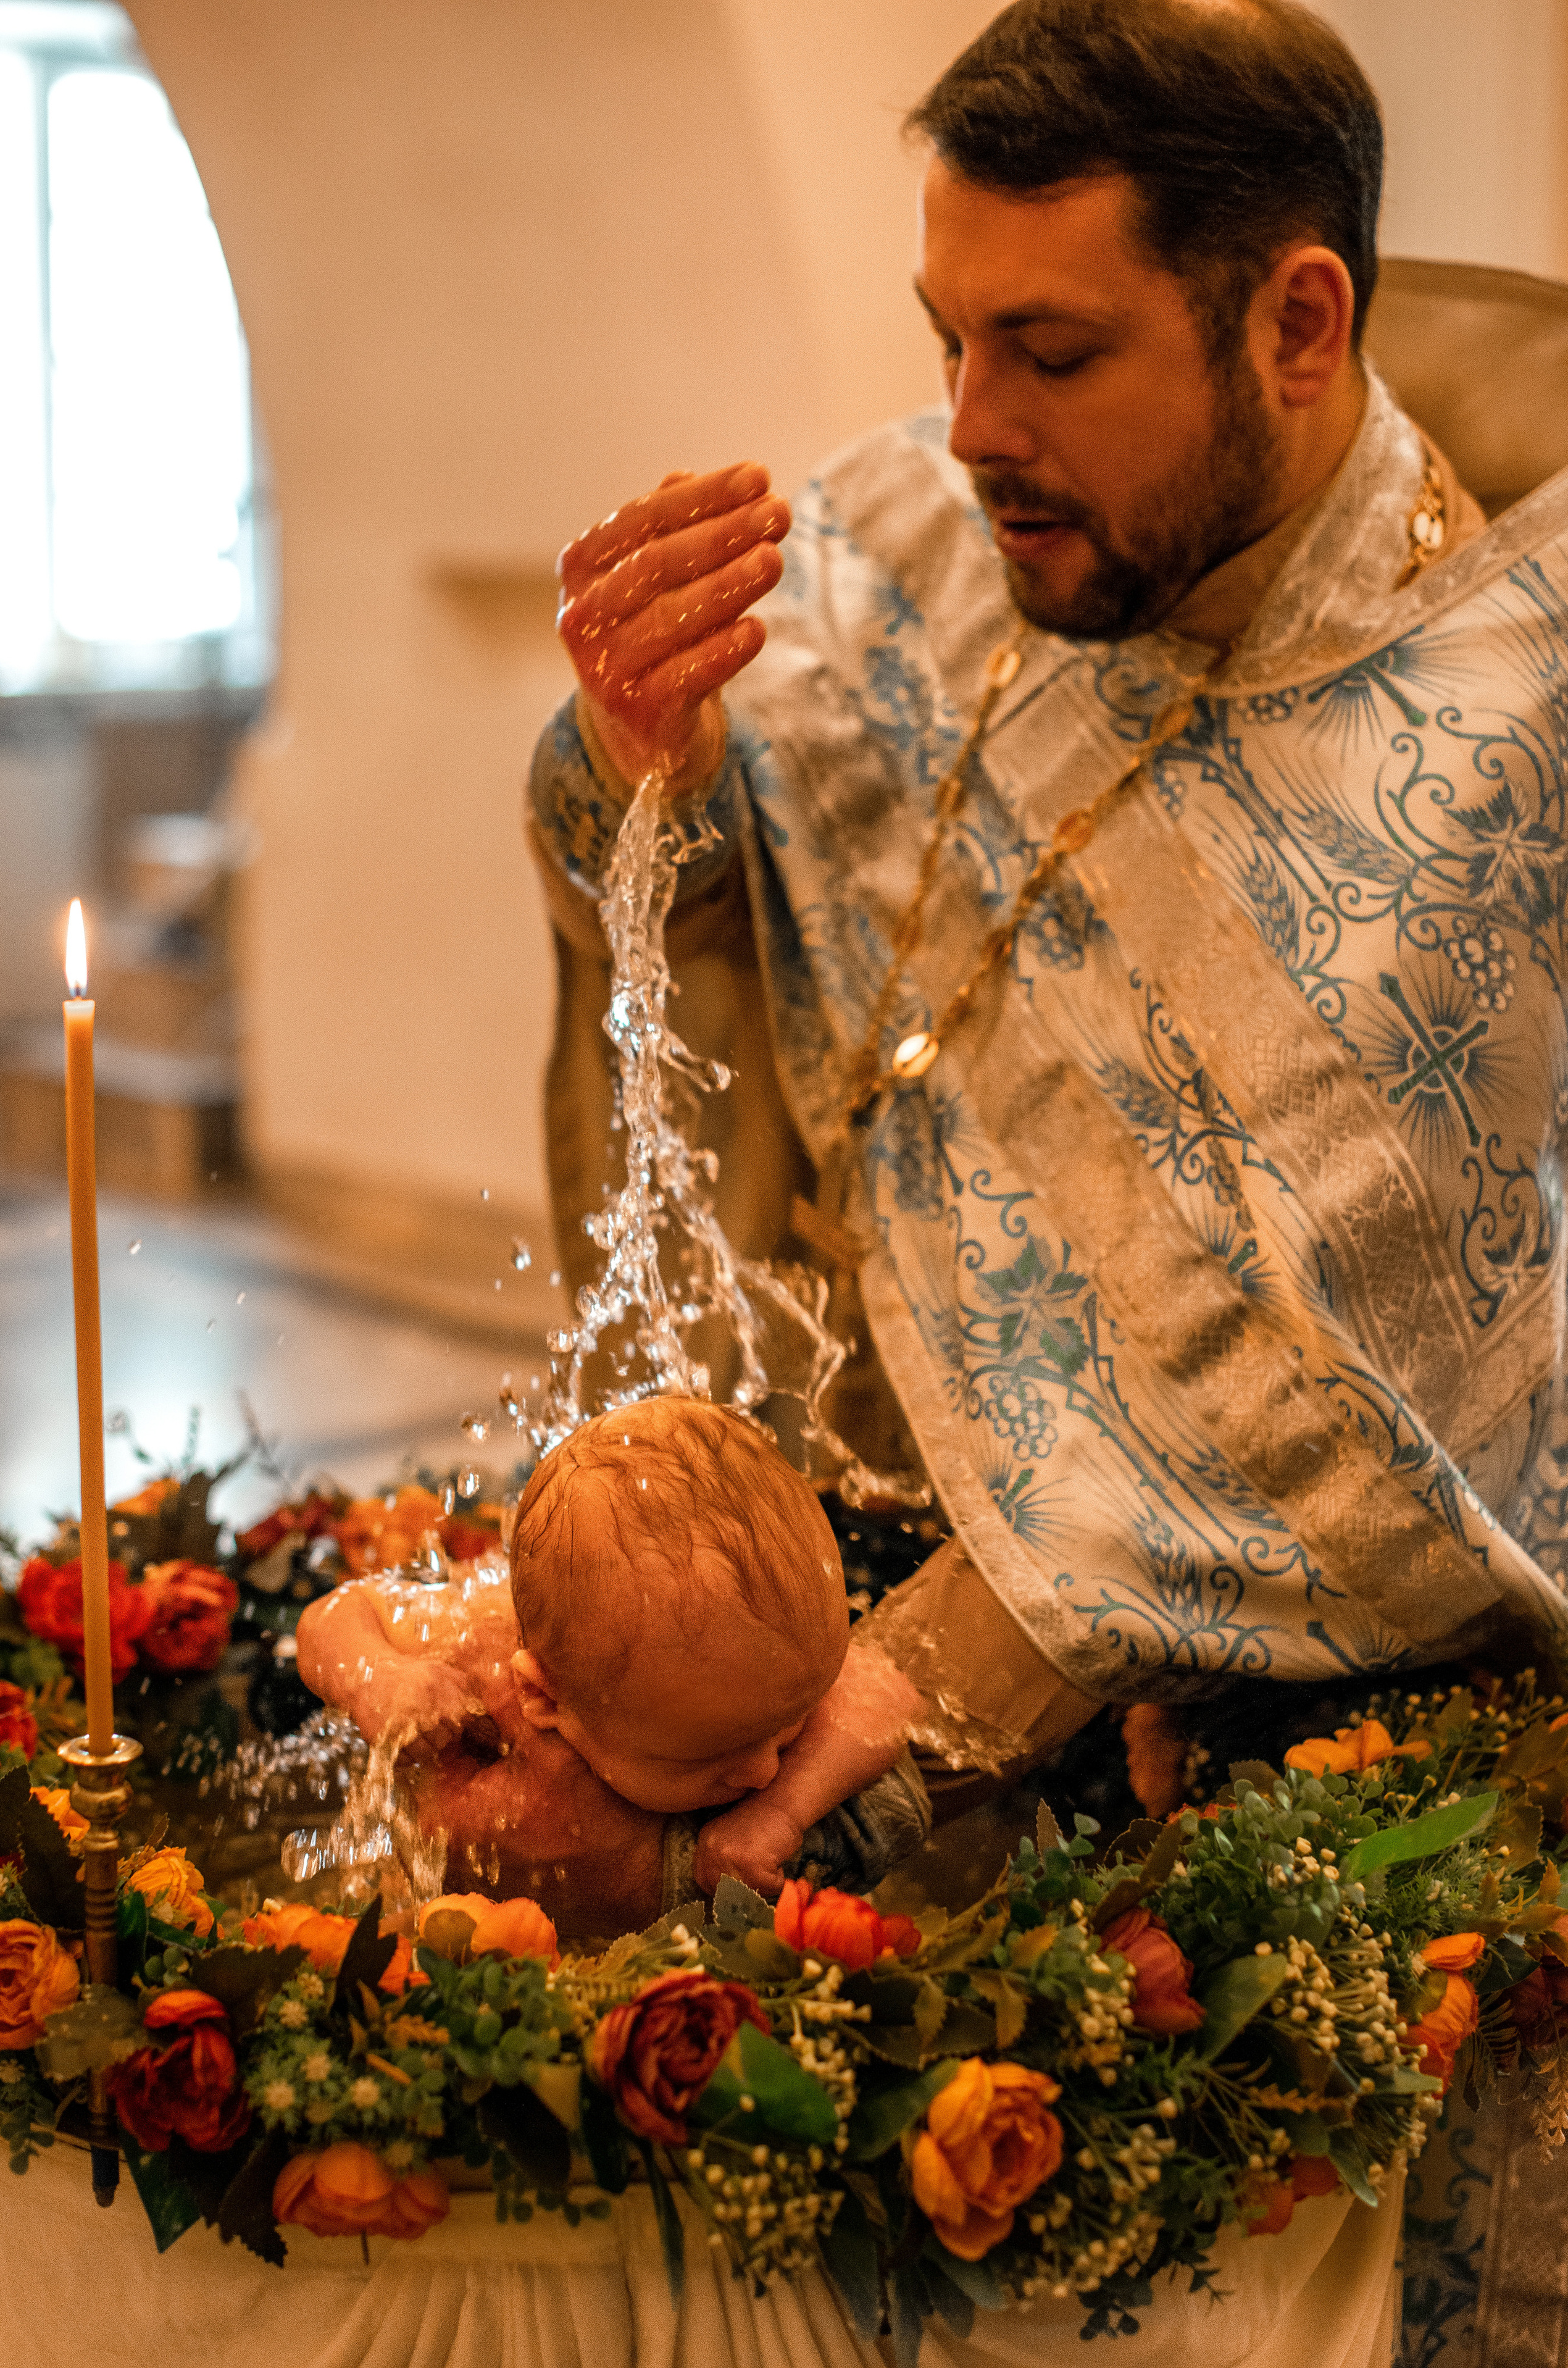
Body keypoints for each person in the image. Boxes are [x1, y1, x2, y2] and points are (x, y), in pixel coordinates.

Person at [527, 0, 1568, 1875]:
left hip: (1213, 1751)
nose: (967, 430)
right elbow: (677, 907)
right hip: (817, 1526)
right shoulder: (906, 538)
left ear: (1298, 326)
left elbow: (1356, 1381)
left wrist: (908, 1688)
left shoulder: (1509, 725)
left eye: (1052, 353)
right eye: (946, 338)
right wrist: (632, 760)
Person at [296, 1397, 928, 1934]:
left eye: (790, 1724)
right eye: (706, 1757)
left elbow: (885, 1693)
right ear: (546, 1699)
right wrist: (378, 1677)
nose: (764, 1769)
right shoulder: (477, 1642)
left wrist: (782, 1812)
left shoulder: (759, 1658)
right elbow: (337, 1613)